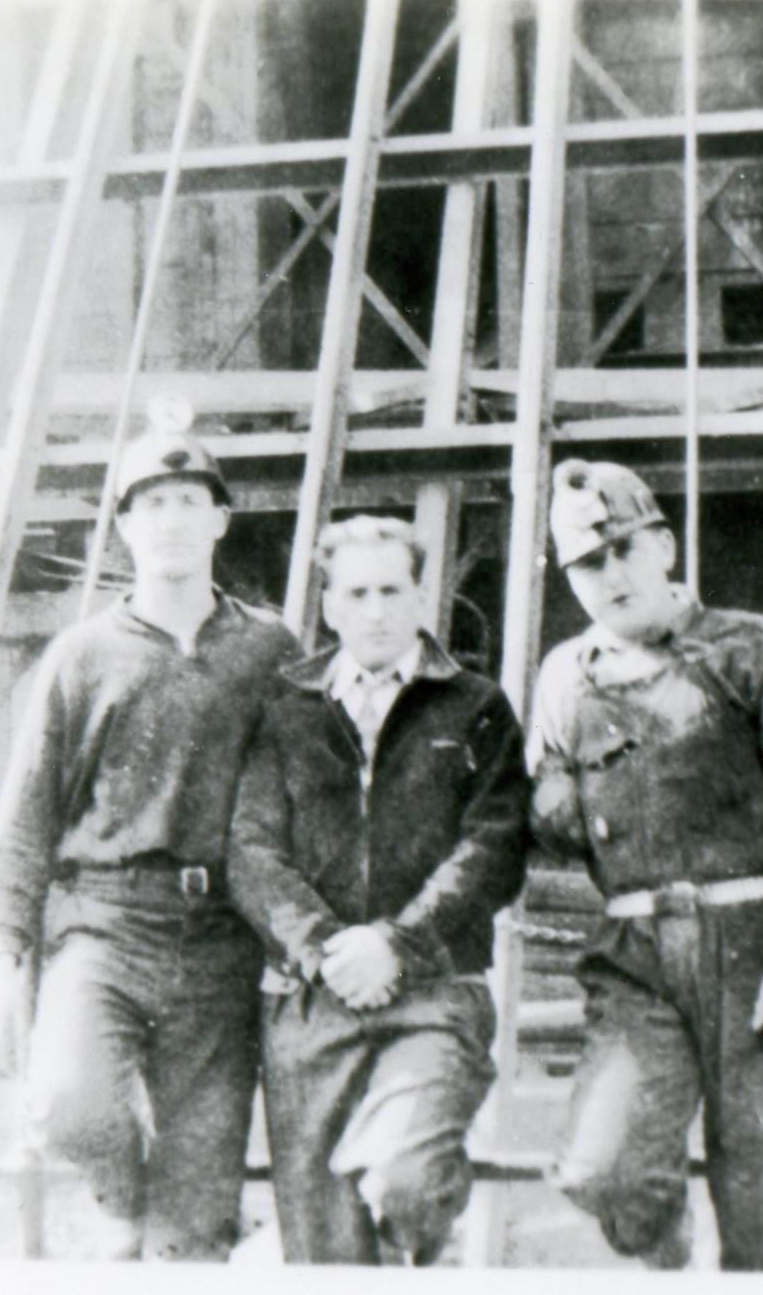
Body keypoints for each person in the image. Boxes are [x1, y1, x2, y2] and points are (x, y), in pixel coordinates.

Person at [0, 423, 298, 1261]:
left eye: (192, 502)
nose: (173, 521)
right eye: (152, 505)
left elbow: (307, 797)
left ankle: (174, 1231)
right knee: (68, 1098)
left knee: (194, 1224)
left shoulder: (269, 647)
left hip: (223, 937)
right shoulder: (80, 657)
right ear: (124, 526)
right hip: (105, 924)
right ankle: (121, 1200)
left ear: (221, 520)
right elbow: (25, 818)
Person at [526, 459, 763, 1271]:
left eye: (621, 550)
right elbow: (544, 818)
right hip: (636, 958)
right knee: (604, 1170)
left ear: (664, 544)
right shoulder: (565, 676)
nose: (607, 576)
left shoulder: (753, 649)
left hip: (757, 950)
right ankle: (664, 1241)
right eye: (583, 565)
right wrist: (549, 801)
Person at [228, 516, 529, 1265]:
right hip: (311, 998)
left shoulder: (476, 706)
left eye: (393, 589)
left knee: (407, 1180)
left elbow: (491, 845)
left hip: (435, 988)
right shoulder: (287, 708)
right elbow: (251, 846)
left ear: (422, 597)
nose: (376, 609)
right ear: (329, 606)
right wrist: (325, 946)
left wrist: (395, 942)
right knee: (323, 1246)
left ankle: (417, 1250)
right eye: (357, 592)